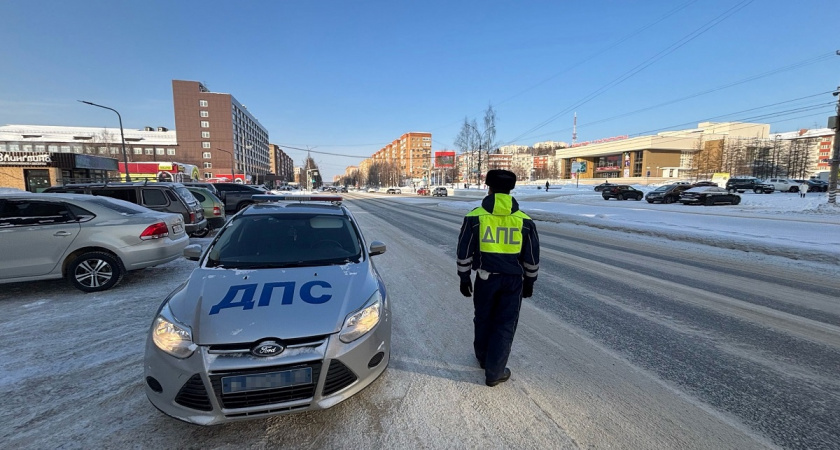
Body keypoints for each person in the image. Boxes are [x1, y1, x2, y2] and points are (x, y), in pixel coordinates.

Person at [456, 169, 540, 387]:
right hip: (513, 282)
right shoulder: (525, 221)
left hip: (485, 278)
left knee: (483, 318)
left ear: (488, 187)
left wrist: (464, 277)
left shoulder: (474, 216)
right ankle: (495, 372)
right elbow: (531, 257)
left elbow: (464, 251)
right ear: (511, 189)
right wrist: (529, 282)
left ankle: (483, 358)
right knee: (504, 324)